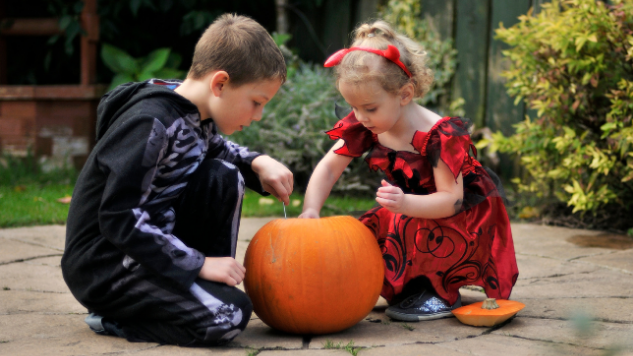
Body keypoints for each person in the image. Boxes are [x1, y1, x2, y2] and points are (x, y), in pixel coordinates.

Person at [61, 14, 293, 346]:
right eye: (256, 103)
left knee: (225, 175)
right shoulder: (149, 123)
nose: (258, 115)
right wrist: (197, 264)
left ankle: (205, 288)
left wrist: (258, 162)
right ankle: (116, 319)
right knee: (230, 315)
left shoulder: (192, 111)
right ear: (220, 84)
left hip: (149, 252)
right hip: (106, 267)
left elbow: (216, 147)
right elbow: (119, 217)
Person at [299, 20, 519, 322]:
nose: (360, 117)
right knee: (363, 234)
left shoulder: (438, 135)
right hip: (410, 206)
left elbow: (451, 201)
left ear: (404, 94)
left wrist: (405, 204)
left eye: (370, 108)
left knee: (405, 224)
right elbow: (328, 168)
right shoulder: (367, 120)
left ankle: (436, 291)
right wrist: (311, 209)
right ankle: (394, 285)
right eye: (354, 107)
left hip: (459, 219)